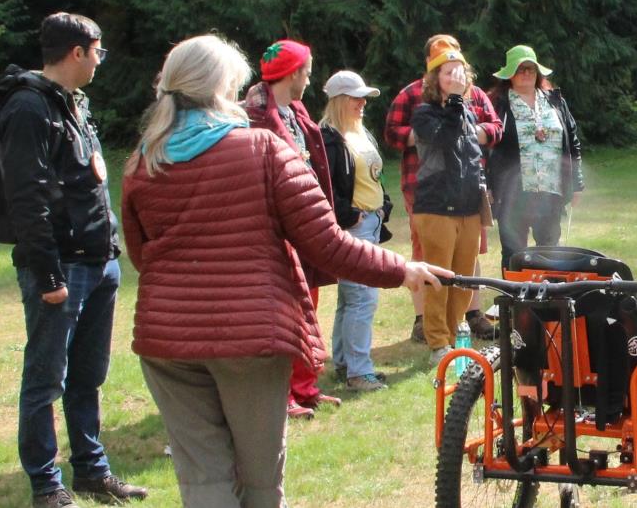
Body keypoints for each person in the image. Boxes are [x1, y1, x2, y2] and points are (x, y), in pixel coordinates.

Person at [121, 34, 446, 508]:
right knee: (259, 482)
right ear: (225, 88)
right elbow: (328, 243)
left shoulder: (142, 162)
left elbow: (140, 254)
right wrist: (402, 269)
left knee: (203, 481)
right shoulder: (265, 150)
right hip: (251, 336)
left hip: (167, 341)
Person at [0, 12, 146, 507]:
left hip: (98, 260)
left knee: (88, 376)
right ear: (77, 52)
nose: (101, 60)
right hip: (61, 267)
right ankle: (45, 485)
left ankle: (92, 472)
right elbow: (26, 199)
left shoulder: (74, 104)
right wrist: (48, 273)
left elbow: (88, 183)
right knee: (46, 379)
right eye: (97, 51)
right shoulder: (28, 108)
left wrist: (110, 250)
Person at [238, 39, 339, 419]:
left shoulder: (295, 110)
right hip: (275, 228)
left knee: (306, 309)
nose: (309, 79)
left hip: (305, 224)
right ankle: (280, 395)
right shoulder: (255, 116)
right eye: (307, 71)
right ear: (293, 73)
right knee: (282, 313)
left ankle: (304, 386)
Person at [383, 34, 502, 342]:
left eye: (457, 61)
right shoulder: (415, 96)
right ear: (432, 68)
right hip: (426, 191)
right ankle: (429, 325)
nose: (454, 72)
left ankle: (463, 320)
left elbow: (495, 128)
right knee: (432, 259)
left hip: (467, 193)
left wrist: (475, 132)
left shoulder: (473, 97)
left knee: (467, 260)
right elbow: (394, 133)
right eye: (445, 66)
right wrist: (419, 136)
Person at [412, 43, 492, 364]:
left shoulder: (468, 111)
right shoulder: (424, 113)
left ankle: (453, 334)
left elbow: (472, 154)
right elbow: (446, 136)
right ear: (435, 78)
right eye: (448, 72)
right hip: (435, 207)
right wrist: (458, 99)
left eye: (459, 71)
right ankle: (437, 343)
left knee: (463, 280)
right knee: (439, 279)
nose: (455, 77)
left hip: (468, 206)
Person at [318, 70, 393, 392]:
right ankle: (359, 373)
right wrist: (347, 217)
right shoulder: (328, 138)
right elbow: (325, 185)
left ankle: (346, 364)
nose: (363, 103)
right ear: (338, 101)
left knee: (351, 299)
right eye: (355, 97)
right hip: (355, 228)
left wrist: (384, 205)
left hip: (372, 224)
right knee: (362, 299)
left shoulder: (361, 133)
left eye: (364, 97)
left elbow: (373, 176)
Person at [488, 45, 585, 267]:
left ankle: (550, 299)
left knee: (551, 251)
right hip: (512, 193)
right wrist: (488, 186)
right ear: (509, 75)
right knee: (514, 253)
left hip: (551, 191)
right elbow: (487, 148)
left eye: (531, 68)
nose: (527, 73)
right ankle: (516, 300)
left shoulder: (555, 101)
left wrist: (577, 183)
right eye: (520, 68)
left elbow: (572, 141)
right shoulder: (497, 104)